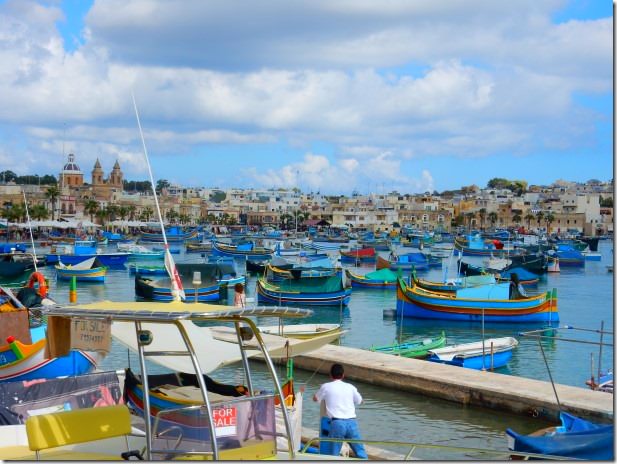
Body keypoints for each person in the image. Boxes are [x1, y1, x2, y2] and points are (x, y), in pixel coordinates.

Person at [313, 363, 368, 459]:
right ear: (343, 375)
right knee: (360, 451)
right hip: (352, 423)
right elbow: (360, 401)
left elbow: (316, 399)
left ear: (330, 375)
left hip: (337, 423)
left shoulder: (326, 386)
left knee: (333, 455)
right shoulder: (351, 387)